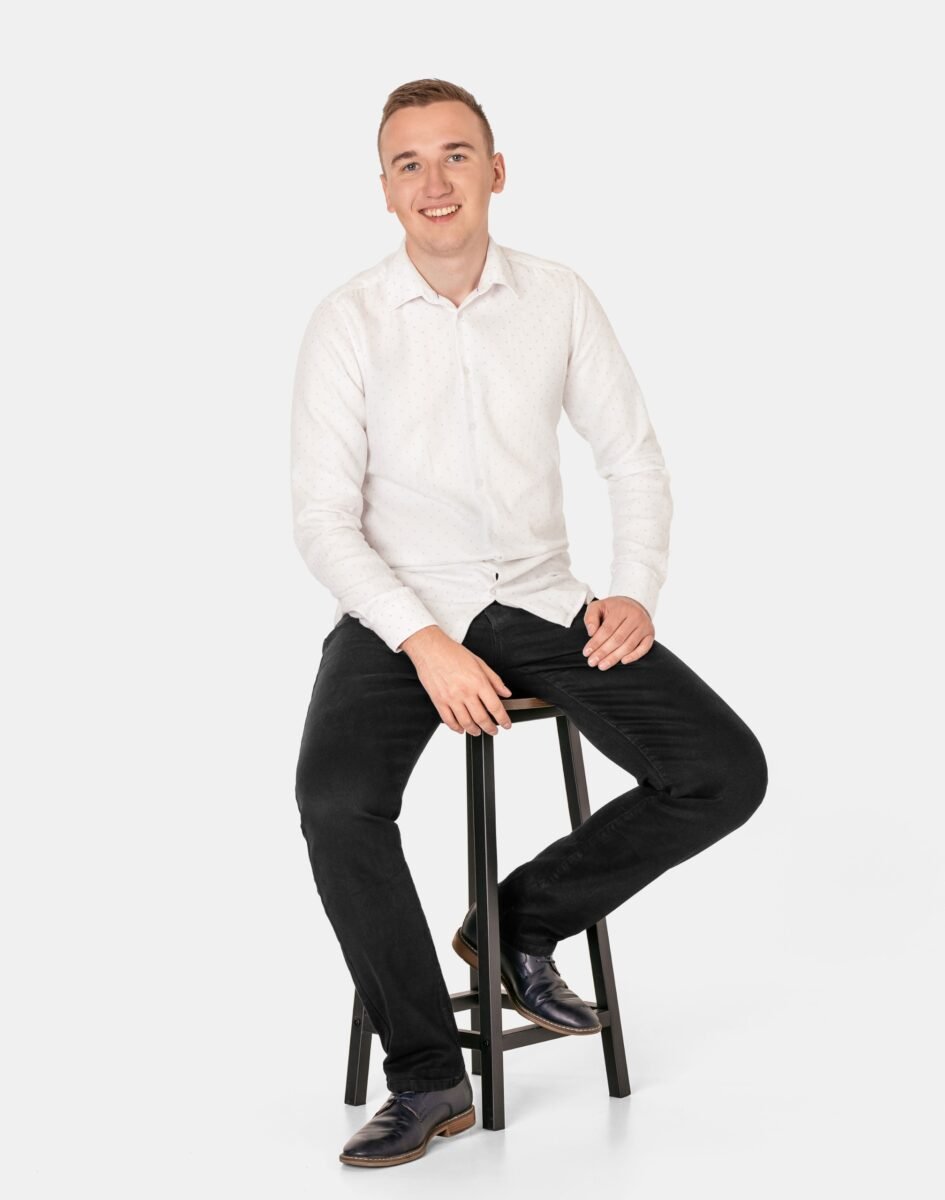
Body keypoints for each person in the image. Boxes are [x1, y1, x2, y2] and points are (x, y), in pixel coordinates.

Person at [290, 77, 768, 1169]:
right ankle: (427, 1076)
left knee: (722, 771)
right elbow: (322, 520)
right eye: (409, 163)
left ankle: (517, 924)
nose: (435, 181)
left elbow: (632, 458)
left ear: (496, 171)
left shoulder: (557, 296)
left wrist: (634, 587)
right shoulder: (347, 320)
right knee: (334, 804)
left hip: (541, 597)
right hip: (397, 608)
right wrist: (422, 640)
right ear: (384, 190)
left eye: (456, 155)